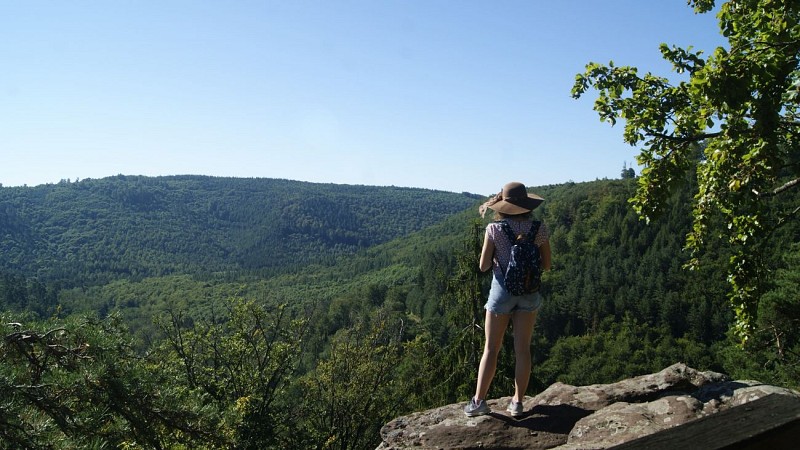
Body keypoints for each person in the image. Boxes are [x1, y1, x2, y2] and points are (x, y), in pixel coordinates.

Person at [464, 181, 551, 418]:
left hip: (501, 292)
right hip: (529, 292)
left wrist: (498, 259)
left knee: (491, 348)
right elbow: (547, 264)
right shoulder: (539, 228)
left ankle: (479, 402)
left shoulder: (494, 229)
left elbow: (483, 266)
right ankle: (518, 403)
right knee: (522, 349)